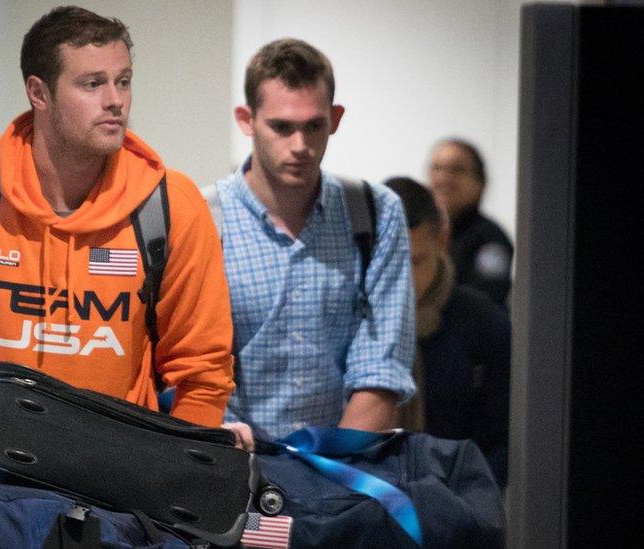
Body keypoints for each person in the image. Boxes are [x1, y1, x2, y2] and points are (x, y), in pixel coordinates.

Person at [0, 5, 235, 532]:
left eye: (123, 81)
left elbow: (202, 372)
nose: (115, 101)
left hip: (117, 501)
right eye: (92, 83)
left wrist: (178, 506)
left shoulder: (170, 207)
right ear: (39, 93)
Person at [213, 38, 415, 447]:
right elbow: (186, 371)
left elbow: (381, 369)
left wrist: (332, 474)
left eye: (314, 125)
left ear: (335, 118)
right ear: (246, 120)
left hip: (342, 472)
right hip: (230, 466)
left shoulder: (375, 212)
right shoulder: (201, 217)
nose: (300, 146)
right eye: (282, 127)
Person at [385, 176, 509, 487]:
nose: (403, 277)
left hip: (459, 506)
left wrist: (464, 502)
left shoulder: (484, 322)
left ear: (441, 241)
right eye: (388, 260)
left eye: (415, 261)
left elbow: (507, 437)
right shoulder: (349, 317)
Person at [427, 138, 513, 307]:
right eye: (437, 169)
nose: (443, 178)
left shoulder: (491, 239)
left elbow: (486, 301)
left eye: (456, 170)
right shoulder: (420, 234)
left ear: (479, 183)